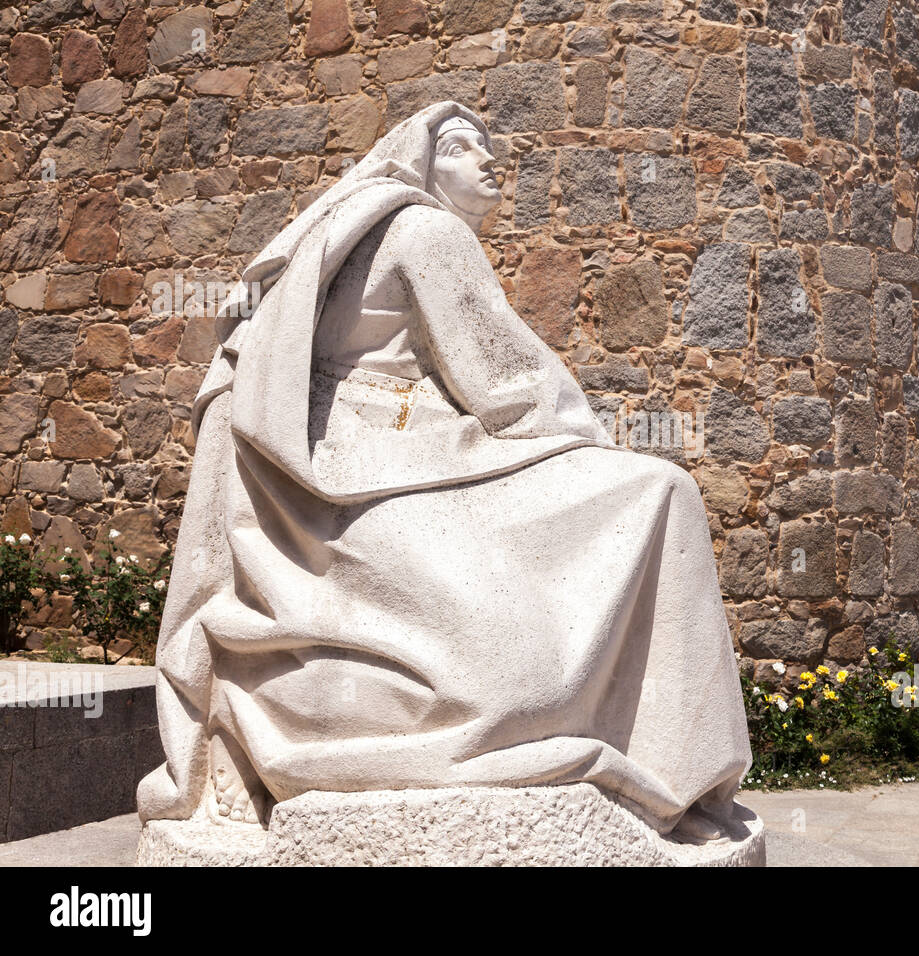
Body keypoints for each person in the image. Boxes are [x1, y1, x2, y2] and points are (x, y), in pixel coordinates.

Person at [138, 101, 751, 841]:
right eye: (463, 148)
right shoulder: (428, 230)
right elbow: (506, 382)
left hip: (341, 472)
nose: (489, 163)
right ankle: (683, 773)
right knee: (662, 491)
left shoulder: (347, 231)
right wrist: (587, 443)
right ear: (422, 162)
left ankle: (254, 720)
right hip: (399, 460)